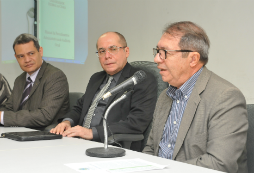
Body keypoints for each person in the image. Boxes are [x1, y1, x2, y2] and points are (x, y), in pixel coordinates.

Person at [142, 21, 248, 173]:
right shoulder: (165, 96)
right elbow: (151, 149)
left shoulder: (226, 98)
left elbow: (220, 164)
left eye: (165, 52)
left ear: (193, 59)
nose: (157, 59)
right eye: (157, 51)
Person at [50, 32, 157, 151]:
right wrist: (67, 122)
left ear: (126, 51)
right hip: (77, 143)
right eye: (102, 51)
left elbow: (136, 123)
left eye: (113, 49)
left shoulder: (139, 80)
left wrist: (92, 133)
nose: (107, 56)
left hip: (110, 146)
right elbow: (80, 107)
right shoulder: (96, 78)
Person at [0, 33, 70, 130]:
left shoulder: (55, 76)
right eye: (21, 56)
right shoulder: (19, 80)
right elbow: (9, 108)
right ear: (16, 58)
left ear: (40, 51)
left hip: (45, 136)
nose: (27, 60)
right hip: (20, 133)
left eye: (31, 53)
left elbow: (44, 116)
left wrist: (0, 116)